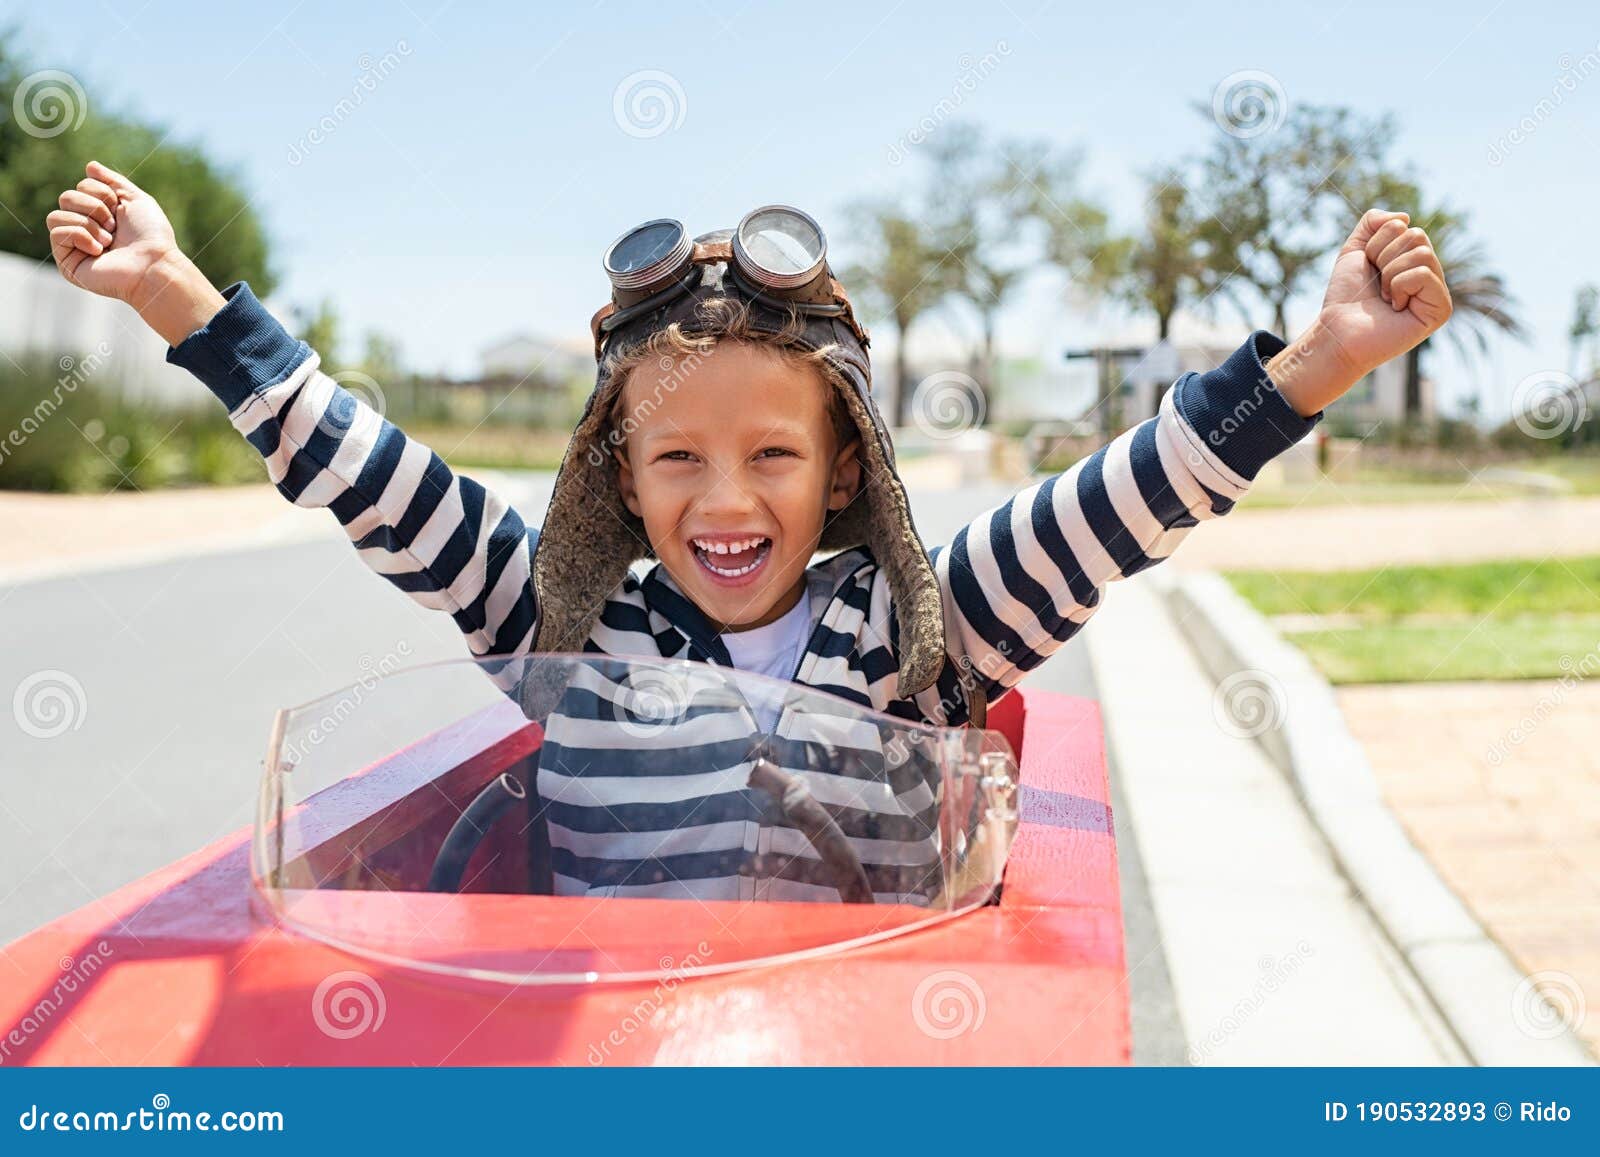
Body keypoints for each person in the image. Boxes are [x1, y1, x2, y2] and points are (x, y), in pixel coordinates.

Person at [46, 161, 1451, 902]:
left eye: (774, 451)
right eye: (679, 458)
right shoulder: (569, 623)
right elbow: (371, 473)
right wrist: (182, 301)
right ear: (619, 481)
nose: (726, 498)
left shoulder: (917, 629)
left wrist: (1315, 366)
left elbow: (1118, 502)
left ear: (847, 471)